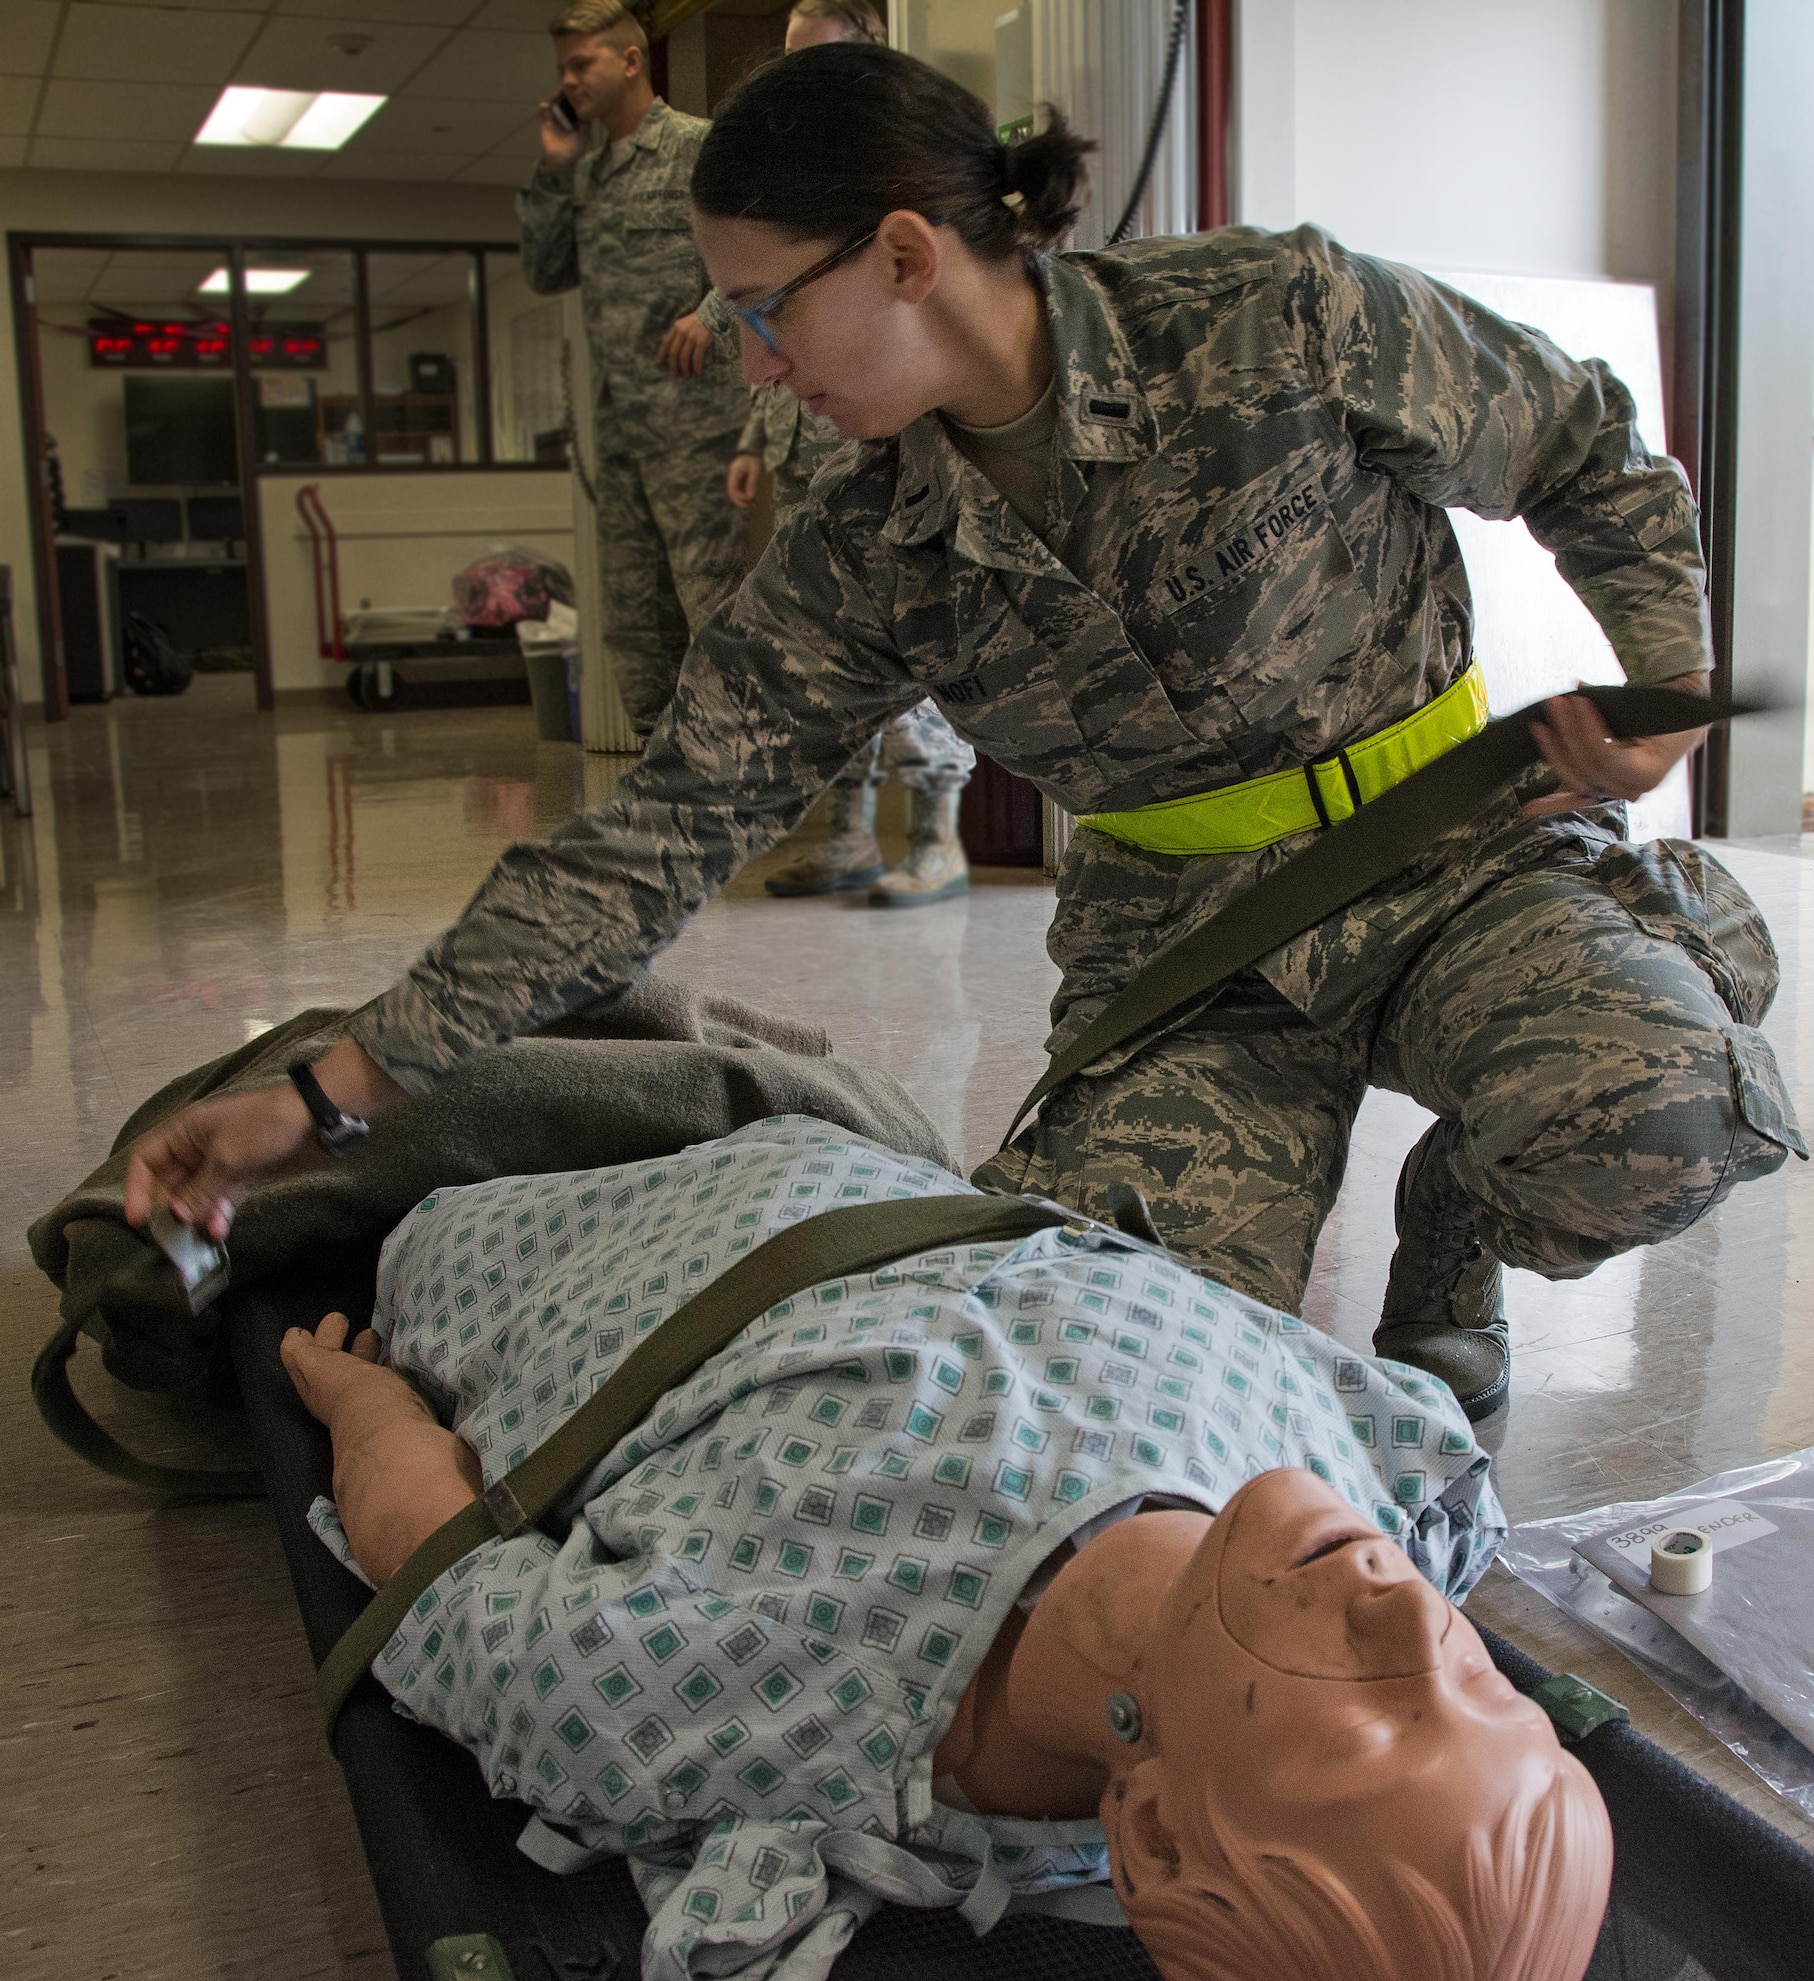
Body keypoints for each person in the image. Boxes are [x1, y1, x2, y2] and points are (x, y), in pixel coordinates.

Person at [127, 46, 1803, 1430]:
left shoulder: (1267, 319)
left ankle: (1452, 1230)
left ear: (905, 256)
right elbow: (641, 847)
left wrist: (1657, 674)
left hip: (1456, 856)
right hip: (1189, 958)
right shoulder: (861, 558)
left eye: (767, 310)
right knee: (1093, 1386)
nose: (754, 365)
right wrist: (328, 1094)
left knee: (1652, 1117)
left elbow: (1585, 445)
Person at [283, 1115, 1611, 1981]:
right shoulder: (1377, 1497)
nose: (1406, 1626)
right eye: (1481, 1691)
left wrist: (370, 1414)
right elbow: (1417, 1442)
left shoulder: (771, 1698)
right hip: (886, 1168)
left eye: (1371, 1731)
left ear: (1146, 1825)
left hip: (605, 1225)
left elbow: (443, 1586)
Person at [727, 0, 978, 908]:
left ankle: (938, 840)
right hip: (807, 442)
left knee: (909, 650)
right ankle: (845, 838)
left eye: (821, 61)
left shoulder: (899, 168)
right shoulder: (779, 186)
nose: (801, 84)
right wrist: (760, 437)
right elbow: (767, 322)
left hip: (893, 438)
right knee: (824, 652)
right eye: (791, 64)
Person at [523, 0, 749, 739]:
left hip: (696, 427)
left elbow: (762, 254)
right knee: (632, 615)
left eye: (581, 63)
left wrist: (708, 314)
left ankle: (734, 769)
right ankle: (663, 764)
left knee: (711, 605)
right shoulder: (586, 176)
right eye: (563, 68)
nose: (569, 81)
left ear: (629, 60)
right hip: (618, 428)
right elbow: (544, 269)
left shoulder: (699, 149)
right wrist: (555, 170)